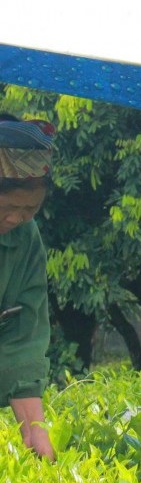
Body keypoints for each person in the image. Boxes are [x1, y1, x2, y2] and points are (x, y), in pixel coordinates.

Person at [0, 115, 57, 461]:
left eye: (30, 209)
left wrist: (35, 430)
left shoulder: (25, 237)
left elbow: (24, 336)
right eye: (8, 208)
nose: (16, 219)